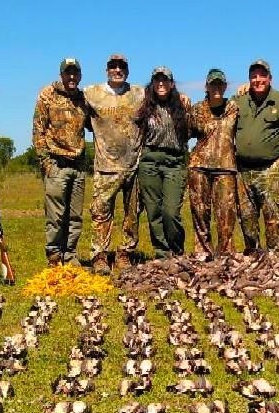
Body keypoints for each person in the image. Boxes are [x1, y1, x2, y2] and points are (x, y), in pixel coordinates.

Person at [85, 54, 145, 274]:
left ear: (127, 71)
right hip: (105, 167)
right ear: (107, 70)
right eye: (113, 66)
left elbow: (166, 96)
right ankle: (100, 256)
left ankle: (124, 254)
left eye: (122, 67)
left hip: (133, 166)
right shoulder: (91, 93)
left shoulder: (140, 93)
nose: (117, 70)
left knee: (132, 214)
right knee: (101, 213)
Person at [32, 57, 91, 266]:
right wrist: (45, 162)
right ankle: (54, 256)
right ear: (61, 75)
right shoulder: (47, 94)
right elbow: (38, 130)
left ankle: (70, 254)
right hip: (56, 164)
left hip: (78, 165)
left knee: (75, 216)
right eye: (68, 73)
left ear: (80, 75)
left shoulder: (83, 99)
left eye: (75, 73)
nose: (72, 76)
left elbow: (95, 124)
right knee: (56, 216)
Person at [231, 58, 279, 254]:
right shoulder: (238, 101)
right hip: (243, 169)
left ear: (270, 78)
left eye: (262, 75)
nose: (258, 80)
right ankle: (253, 256)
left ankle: (276, 257)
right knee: (246, 217)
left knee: (273, 215)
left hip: (270, 167)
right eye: (253, 76)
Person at [135, 66, 190, 259]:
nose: (161, 83)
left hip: (174, 162)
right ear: (152, 83)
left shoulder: (182, 104)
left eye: (164, 79)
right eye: (157, 80)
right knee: (153, 211)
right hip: (150, 161)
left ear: (171, 83)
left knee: (171, 211)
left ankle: (177, 251)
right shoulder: (143, 104)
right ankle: (162, 253)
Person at [187, 68, 240, 257]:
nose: (216, 87)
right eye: (212, 84)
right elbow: (185, 133)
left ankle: (225, 253)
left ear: (225, 86)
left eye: (220, 84)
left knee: (226, 213)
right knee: (200, 212)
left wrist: (247, 87)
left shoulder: (234, 107)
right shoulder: (197, 110)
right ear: (206, 87)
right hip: (199, 167)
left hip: (226, 168)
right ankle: (203, 252)